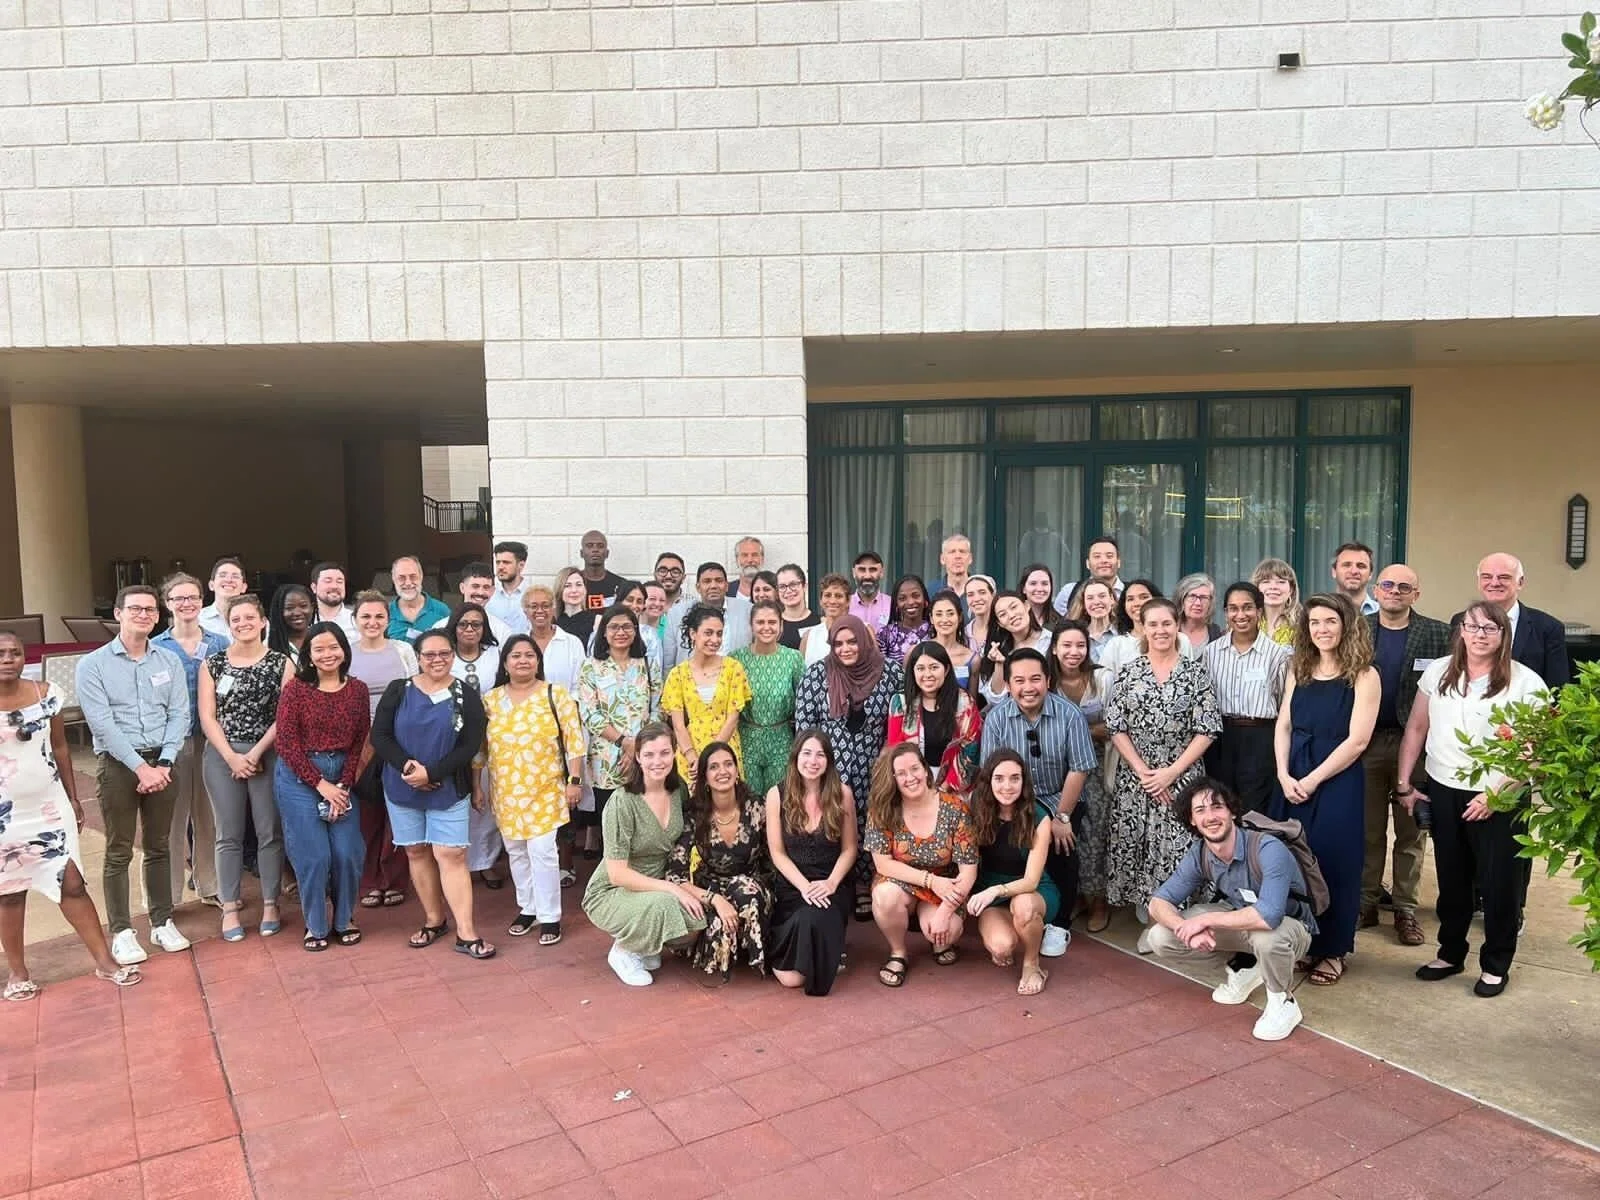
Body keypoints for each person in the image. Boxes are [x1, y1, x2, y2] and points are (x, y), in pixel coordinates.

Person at [1398, 602, 1549, 997]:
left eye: (1490, 628)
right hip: (1445, 786)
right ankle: (1450, 953)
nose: (1480, 634)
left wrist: (1496, 793)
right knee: (1452, 878)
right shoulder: (1439, 671)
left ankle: (1496, 963)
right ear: (1461, 630)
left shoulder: (1526, 681)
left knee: (1500, 883)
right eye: (1472, 626)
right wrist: (1404, 781)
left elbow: (1533, 747)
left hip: (1501, 793)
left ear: (1504, 635)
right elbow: (1416, 727)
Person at [0, 631, 143, 999]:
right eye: (0, 653)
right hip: (5, 817)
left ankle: (105, 962)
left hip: (49, 808)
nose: (8, 658)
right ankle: (18, 972)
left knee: (72, 883)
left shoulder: (45, 694)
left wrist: (73, 798)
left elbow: (61, 747)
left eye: (15, 652)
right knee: (10, 895)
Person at [1147, 778, 1316, 1042]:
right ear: (1191, 820)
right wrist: (1184, 928)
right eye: (1200, 811)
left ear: (1232, 812)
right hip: (1240, 920)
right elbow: (1159, 902)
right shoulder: (1200, 852)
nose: (1210, 817)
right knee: (1160, 937)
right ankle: (1244, 967)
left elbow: (1268, 915)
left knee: (1267, 937)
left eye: (1217, 807)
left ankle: (1283, 1002)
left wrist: (1207, 920)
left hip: (1289, 927)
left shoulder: (1268, 848)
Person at [76, 585, 193, 966]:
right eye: (135, 609)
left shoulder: (168, 661)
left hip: (163, 762)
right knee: (119, 849)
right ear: (118, 613)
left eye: (149, 610)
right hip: (118, 764)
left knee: (159, 846)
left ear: (158, 616)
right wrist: (140, 767)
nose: (143, 615)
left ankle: (162, 921)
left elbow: (180, 714)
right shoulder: (92, 665)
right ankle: (122, 931)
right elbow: (102, 723)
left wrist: (165, 763)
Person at [1272, 593, 1379, 987]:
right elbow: (1284, 725)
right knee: (1294, 861)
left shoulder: (1365, 675)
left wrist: (1314, 778)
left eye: (1330, 621)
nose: (1322, 629)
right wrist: (1283, 774)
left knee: (1334, 861)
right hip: (1292, 775)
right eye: (1315, 622)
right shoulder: (1297, 668)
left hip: (1336, 779)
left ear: (1347, 624)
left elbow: (1357, 741)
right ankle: (1304, 943)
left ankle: (1333, 950)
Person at [370, 629, 493, 959]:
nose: (437, 660)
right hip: (401, 785)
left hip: (448, 788)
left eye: (444, 654)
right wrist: (410, 770)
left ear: (453, 655)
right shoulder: (399, 690)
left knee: (451, 855)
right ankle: (434, 920)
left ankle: (466, 932)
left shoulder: (467, 696)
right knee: (415, 852)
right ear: (418, 657)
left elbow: (469, 745)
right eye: (430, 655)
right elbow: (379, 736)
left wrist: (432, 773)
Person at [1103, 598, 1222, 930]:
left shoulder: (1195, 672)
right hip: (1137, 776)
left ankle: (1172, 911)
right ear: (1142, 627)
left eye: (1166, 624)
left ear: (1177, 625)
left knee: (1177, 844)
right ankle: (1148, 907)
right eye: (1152, 624)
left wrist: (1171, 772)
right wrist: (1143, 770)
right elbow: (1115, 726)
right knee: (1137, 841)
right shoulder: (1129, 671)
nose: (1160, 630)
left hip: (1182, 774)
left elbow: (1208, 728)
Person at [979, 647, 1097, 954]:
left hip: (1061, 799)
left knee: (1063, 845)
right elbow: (990, 770)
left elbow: (1080, 767)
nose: (1027, 687)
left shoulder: (1069, 713)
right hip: (1013, 797)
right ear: (1008, 684)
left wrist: (1061, 816)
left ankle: (1059, 925)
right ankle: (1008, 906)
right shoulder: (997, 718)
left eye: (1035, 679)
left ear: (1047, 680)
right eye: (1019, 680)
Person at [1360, 564, 1450, 945]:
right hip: (1365, 743)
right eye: (1388, 585)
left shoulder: (1439, 634)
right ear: (1376, 591)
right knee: (1367, 830)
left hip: (1416, 745)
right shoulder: (1358, 630)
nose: (1394, 591)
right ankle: (1364, 903)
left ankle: (1405, 909)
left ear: (1416, 593)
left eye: (1404, 587)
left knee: (1411, 833)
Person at [792, 615, 904, 915]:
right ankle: (838, 883)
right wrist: (815, 764)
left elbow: (901, 718)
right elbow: (805, 728)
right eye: (838, 643)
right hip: (830, 766)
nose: (845, 648)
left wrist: (888, 755)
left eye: (852, 641)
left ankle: (868, 883)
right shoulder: (817, 675)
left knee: (874, 820)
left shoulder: (891, 673)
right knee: (833, 822)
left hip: (877, 764)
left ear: (864, 641)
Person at [477, 634, 585, 943]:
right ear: (506, 662)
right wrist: (477, 786)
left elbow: (574, 741)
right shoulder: (492, 699)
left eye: (529, 655)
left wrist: (574, 781)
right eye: (516, 655)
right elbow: (480, 749)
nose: (523, 660)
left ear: (538, 661)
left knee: (543, 852)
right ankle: (528, 908)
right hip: (506, 789)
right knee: (516, 851)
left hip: (546, 788)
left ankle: (550, 915)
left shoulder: (556, 694)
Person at [581, 723, 707, 986]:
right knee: (665, 903)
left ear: (674, 753)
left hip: (659, 883)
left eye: (664, 753)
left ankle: (646, 944)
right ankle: (624, 950)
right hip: (614, 890)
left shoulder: (677, 790)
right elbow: (617, 873)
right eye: (649, 755)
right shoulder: (622, 802)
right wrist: (673, 890)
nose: (657, 761)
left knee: (696, 921)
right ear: (637, 756)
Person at [198, 595, 291, 941]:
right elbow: (207, 716)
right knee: (228, 834)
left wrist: (255, 753)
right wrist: (233, 757)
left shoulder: (282, 663)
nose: (243, 624)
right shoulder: (214, 663)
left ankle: (270, 903)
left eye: (249, 617)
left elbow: (285, 715)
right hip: (223, 756)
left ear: (263, 621)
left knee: (269, 831)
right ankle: (230, 907)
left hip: (267, 754)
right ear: (228, 624)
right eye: (236, 619)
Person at [272, 623, 370, 951]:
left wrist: (342, 784)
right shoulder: (296, 689)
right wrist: (320, 784)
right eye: (319, 649)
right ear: (309, 656)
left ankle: (344, 919)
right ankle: (315, 924)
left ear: (344, 650)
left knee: (347, 852)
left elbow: (359, 741)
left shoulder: (357, 689)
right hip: (300, 776)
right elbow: (286, 742)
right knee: (313, 856)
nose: (328, 654)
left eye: (334, 647)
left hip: (341, 773)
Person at [865, 743, 980, 985]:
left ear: (926, 770)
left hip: (945, 884)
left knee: (946, 932)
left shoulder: (955, 808)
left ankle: (933, 928)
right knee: (885, 897)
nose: (910, 778)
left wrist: (945, 912)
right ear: (893, 778)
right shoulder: (883, 808)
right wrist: (930, 881)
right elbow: (883, 864)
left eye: (914, 769)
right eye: (901, 773)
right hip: (901, 880)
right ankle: (898, 952)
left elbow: (968, 871)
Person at [151, 573, 231, 912]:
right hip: (172, 742)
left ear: (202, 600)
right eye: (179, 598)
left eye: (192, 597)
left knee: (210, 815)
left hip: (212, 738)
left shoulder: (218, 643)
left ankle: (210, 884)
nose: (187, 604)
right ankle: (167, 897)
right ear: (167, 604)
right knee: (172, 819)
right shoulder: (156, 646)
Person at [666, 743, 773, 982]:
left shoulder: (757, 807)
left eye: (728, 764)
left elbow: (773, 860)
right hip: (710, 889)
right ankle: (737, 944)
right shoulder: (694, 814)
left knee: (745, 890)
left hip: (752, 887)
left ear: (737, 770)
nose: (722, 771)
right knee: (718, 929)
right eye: (713, 767)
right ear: (704, 776)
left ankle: (753, 946)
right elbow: (676, 877)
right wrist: (716, 900)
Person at [765, 731, 858, 996]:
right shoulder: (777, 795)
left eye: (820, 754)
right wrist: (805, 886)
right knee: (790, 978)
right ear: (796, 757)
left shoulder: (842, 794)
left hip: (831, 885)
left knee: (815, 916)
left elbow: (850, 849)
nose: (813, 761)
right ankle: (822, 947)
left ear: (828, 760)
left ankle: (829, 943)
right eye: (806, 753)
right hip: (793, 885)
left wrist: (830, 883)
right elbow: (778, 853)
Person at [348, 590, 419, 909]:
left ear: (389, 620)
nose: (372, 622)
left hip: (397, 738)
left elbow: (415, 691)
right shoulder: (346, 653)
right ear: (355, 620)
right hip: (358, 742)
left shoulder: (403, 651)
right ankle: (369, 881)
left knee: (398, 814)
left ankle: (394, 880)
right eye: (366, 616)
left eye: (379, 616)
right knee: (366, 817)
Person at [966, 749, 1055, 995]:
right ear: (989, 781)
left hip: (1033, 891)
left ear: (1024, 781)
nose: (1007, 786)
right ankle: (1020, 929)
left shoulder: (1039, 817)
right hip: (992, 893)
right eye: (999, 778)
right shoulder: (977, 808)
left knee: (1024, 907)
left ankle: (1032, 963)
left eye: (1015, 778)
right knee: (1002, 947)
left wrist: (994, 891)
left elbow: (1031, 880)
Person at [575, 604, 662, 859]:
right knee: (610, 824)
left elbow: (657, 708)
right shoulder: (591, 667)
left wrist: (638, 746)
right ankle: (613, 879)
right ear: (604, 632)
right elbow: (590, 714)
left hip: (645, 756)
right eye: (613, 627)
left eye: (627, 626)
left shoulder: (648, 664)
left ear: (635, 631)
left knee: (644, 821)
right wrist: (624, 742)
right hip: (606, 758)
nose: (620, 632)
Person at [1202, 582, 1291, 815]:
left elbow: (1284, 704)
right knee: (1220, 805)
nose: (1240, 615)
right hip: (1220, 738)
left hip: (1260, 739)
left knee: (1255, 810)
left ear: (1259, 611)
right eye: (1233, 609)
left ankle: (1253, 852)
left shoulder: (1277, 655)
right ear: (1226, 613)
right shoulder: (1211, 652)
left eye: (1247, 607)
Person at [1047, 622, 1114, 931]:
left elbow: (1113, 725)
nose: (1074, 652)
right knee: (1066, 829)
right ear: (1054, 648)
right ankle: (1074, 895)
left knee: (1096, 830)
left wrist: (1076, 731)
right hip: (1058, 763)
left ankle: (1098, 899)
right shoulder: (1047, 680)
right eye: (1067, 646)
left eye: (1080, 646)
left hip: (1099, 763)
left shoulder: (1102, 678)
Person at [660, 603, 752, 786]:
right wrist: (693, 757)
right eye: (708, 633)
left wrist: (712, 756)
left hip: (725, 749)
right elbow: (678, 724)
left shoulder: (733, 668)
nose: (715, 639)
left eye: (719, 633)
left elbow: (733, 718)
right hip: (691, 751)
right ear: (693, 634)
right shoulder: (678, 674)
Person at [448, 602, 505, 891]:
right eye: (463, 624)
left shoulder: (495, 656)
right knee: (461, 802)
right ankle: (461, 862)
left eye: (476, 624)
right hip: (453, 739)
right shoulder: (446, 656)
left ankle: (486, 862)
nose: (470, 629)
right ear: (454, 627)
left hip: (491, 737)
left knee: (488, 802)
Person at [1460, 552, 1569, 688]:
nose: (1494, 583)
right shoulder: (1461, 621)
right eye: (1486, 577)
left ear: (1520, 582)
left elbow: (1558, 687)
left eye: (1504, 577)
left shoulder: (1547, 628)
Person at [731, 600, 805, 798]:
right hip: (747, 737)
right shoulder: (736, 660)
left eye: (772, 622)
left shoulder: (793, 658)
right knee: (748, 801)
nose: (766, 627)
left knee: (780, 800)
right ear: (751, 626)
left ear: (781, 626)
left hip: (781, 739)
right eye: (760, 622)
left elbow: (803, 702)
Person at [888, 641, 982, 794]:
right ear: (912, 672)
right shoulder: (900, 703)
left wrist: (943, 789)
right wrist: (917, 787)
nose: (927, 674)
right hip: (911, 784)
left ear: (946, 670)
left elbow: (970, 754)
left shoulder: (964, 703)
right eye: (920, 668)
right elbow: (895, 750)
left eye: (934, 667)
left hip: (953, 786)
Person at [662, 562, 753, 670]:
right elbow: (668, 660)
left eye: (719, 581)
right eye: (707, 581)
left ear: (727, 586)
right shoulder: (677, 613)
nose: (713, 586)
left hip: (735, 681)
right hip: (690, 682)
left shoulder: (747, 610)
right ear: (698, 587)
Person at [1101, 579, 1192, 680]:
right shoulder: (1116, 645)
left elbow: (1190, 676)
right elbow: (1104, 687)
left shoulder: (1180, 639)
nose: (1137, 603)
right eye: (1130, 599)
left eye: (1144, 597)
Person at [438, 562, 516, 644]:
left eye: (486, 587)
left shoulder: (501, 631)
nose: (480, 592)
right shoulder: (441, 627)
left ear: (492, 591)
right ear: (462, 588)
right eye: (475, 586)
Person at [1052, 535, 1124, 616]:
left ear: (1118, 562)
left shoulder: (1130, 593)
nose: (1104, 560)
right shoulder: (1069, 592)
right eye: (1097, 556)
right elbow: (1057, 625)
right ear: (1087, 563)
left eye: (1109, 556)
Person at [386, 555, 451, 643]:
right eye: (402, 578)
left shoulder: (441, 610)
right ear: (394, 580)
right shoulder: (386, 612)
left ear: (421, 577)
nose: (408, 583)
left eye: (413, 577)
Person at [877, 574, 933, 666]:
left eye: (916, 596)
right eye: (902, 598)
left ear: (925, 600)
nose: (910, 602)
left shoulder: (935, 630)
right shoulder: (885, 634)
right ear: (896, 605)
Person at [1065, 579, 1122, 663]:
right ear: (1084, 604)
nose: (1096, 602)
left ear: (1112, 599)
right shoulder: (1076, 635)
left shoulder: (1123, 633)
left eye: (1102, 596)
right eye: (1090, 598)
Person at [928, 589, 975, 690]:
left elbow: (972, 702)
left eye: (950, 614)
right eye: (939, 614)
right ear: (931, 619)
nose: (945, 620)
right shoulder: (917, 651)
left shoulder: (972, 659)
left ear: (960, 617)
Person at [801, 572, 851, 666]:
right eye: (827, 595)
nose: (832, 601)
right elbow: (802, 676)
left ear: (848, 601)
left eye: (838, 596)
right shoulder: (808, 637)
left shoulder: (864, 631)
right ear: (820, 600)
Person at [614, 580, 663, 675]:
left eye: (639, 601)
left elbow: (655, 672)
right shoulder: (604, 631)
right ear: (619, 600)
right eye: (629, 600)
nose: (634, 605)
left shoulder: (650, 635)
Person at [1252, 558, 1301, 647]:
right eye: (1266, 582)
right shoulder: (1248, 622)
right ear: (1256, 588)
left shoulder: (1302, 624)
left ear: (1291, 590)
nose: (1273, 587)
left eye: (1281, 582)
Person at [487, 540, 532, 635]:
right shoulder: (488, 595)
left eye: (506, 562)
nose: (500, 567)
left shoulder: (533, 595)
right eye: (498, 562)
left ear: (521, 565)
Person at [578, 529, 630, 608]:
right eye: (589, 546)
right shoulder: (571, 585)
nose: (595, 550)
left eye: (600, 546)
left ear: (607, 553)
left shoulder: (621, 585)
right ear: (581, 553)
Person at [198, 557, 247, 638]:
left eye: (235, 576)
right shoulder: (198, 619)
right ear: (211, 585)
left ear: (244, 587)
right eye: (222, 575)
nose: (229, 580)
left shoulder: (256, 620)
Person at [775, 563, 820, 650]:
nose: (788, 591)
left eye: (793, 585)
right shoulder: (773, 624)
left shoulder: (820, 622)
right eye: (782, 586)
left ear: (804, 586)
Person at [266, 583, 314, 662]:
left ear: (312, 607)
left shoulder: (322, 638)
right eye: (289, 608)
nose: (297, 613)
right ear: (279, 611)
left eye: (303, 606)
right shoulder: (267, 646)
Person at [1331, 541, 1379, 617]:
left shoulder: (1382, 613)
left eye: (1361, 566)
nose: (1354, 571)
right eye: (1346, 565)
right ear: (1334, 572)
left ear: (1370, 574)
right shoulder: (1318, 613)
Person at [1174, 573, 1220, 648]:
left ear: (1211, 603)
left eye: (1204, 597)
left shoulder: (1216, 634)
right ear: (1182, 600)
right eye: (1192, 596)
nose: (1198, 603)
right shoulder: (1171, 631)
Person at [310, 562, 357, 636]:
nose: (335, 586)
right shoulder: (305, 620)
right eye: (328, 581)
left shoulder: (357, 619)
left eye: (339, 582)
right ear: (314, 587)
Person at [555, 566, 598, 644]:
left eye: (578, 585)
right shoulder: (552, 622)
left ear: (585, 589)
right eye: (567, 586)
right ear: (559, 590)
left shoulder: (597, 621)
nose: (574, 590)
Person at [848, 551, 890, 630]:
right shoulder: (844, 605)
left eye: (873, 569)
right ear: (854, 573)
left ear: (881, 572)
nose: (867, 576)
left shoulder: (892, 605)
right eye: (862, 569)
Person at [963, 574, 996, 655]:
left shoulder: (1003, 630)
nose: (976, 599)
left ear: (993, 595)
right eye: (970, 595)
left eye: (982, 592)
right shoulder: (963, 634)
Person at [1017, 564, 1057, 631]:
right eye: (1033, 583)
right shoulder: (1014, 620)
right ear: (1023, 588)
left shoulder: (1060, 622)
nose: (1039, 589)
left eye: (1044, 583)